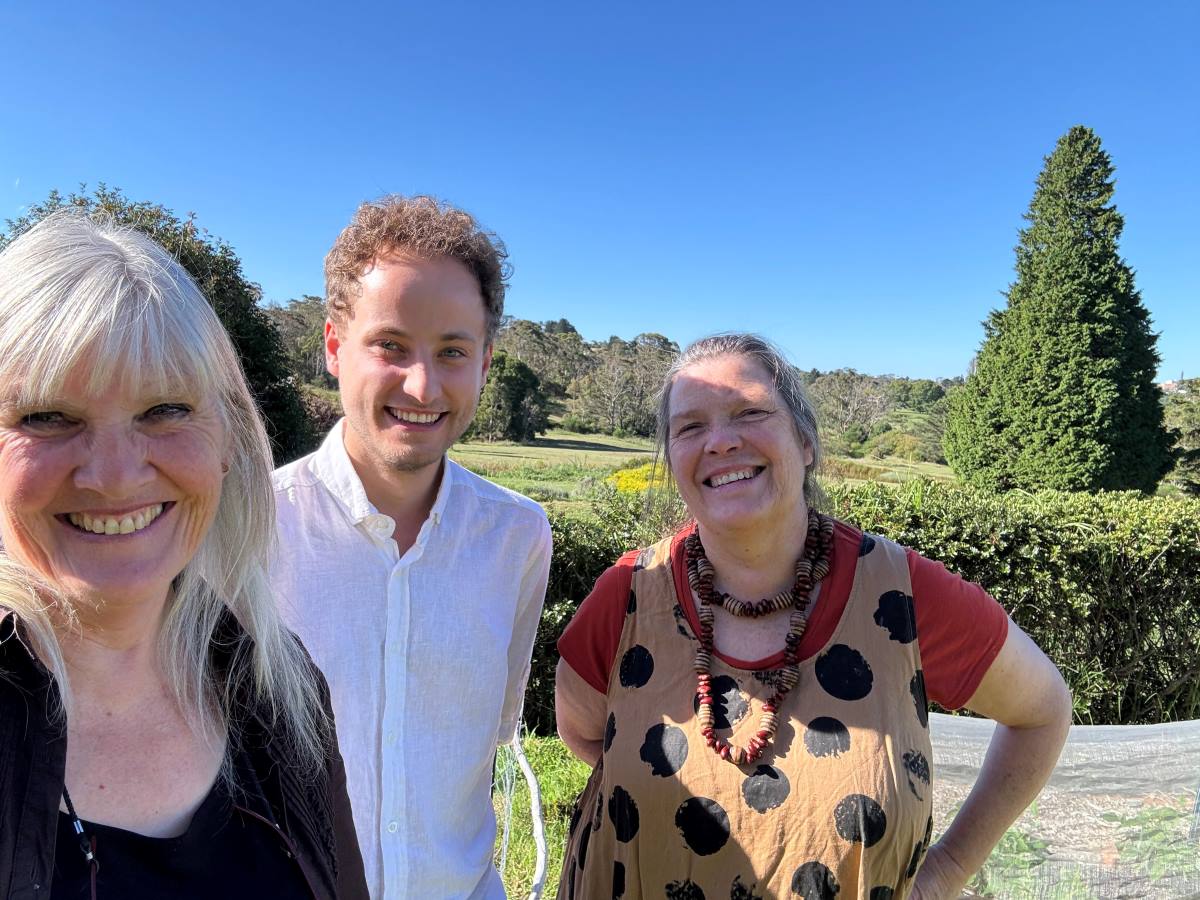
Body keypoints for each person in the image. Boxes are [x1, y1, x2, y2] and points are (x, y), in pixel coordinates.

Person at [555, 333, 1072, 899]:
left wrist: (946, 872)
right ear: (672, 457)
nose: (721, 441)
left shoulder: (904, 593)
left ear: (805, 441)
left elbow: (1043, 711)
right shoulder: (628, 596)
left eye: (751, 412)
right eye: (690, 426)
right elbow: (584, 734)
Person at [0, 214, 367, 899]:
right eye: (47, 416)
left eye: (164, 409)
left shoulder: (283, 695)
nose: (112, 476)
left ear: (227, 438)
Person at [272, 195, 553, 898]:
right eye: (390, 346)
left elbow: (493, 733)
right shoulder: (245, 527)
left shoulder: (518, 538)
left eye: (453, 352)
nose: (422, 385)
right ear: (336, 348)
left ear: (485, 363)